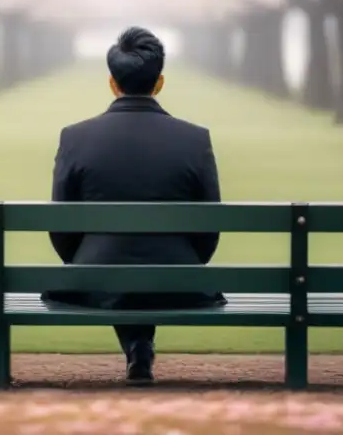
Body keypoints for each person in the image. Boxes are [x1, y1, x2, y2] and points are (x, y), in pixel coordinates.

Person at [41, 26, 225, 385]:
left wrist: (82, 261)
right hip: (179, 282)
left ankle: (137, 346)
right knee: (145, 267)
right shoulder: (195, 139)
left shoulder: (75, 137)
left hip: (94, 280)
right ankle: (140, 344)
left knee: (116, 267)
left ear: (112, 83)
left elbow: (61, 229)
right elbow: (209, 231)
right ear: (159, 83)